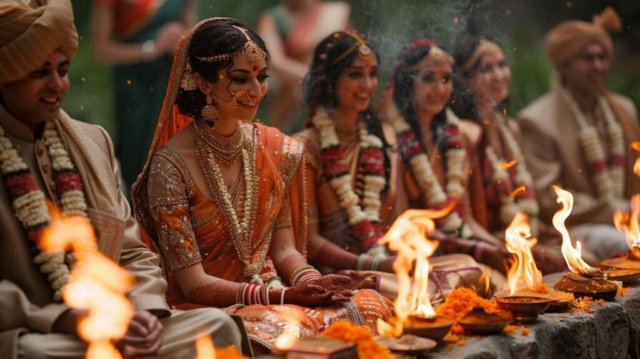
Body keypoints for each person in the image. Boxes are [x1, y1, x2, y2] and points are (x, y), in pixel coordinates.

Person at [131, 18, 393, 352]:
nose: (257, 91)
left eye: (262, 77)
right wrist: (283, 295)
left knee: (369, 306)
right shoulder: (170, 166)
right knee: (289, 332)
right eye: (241, 79)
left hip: (277, 293)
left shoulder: (270, 147)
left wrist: (312, 283)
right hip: (215, 309)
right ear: (202, 82)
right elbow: (194, 285)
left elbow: (284, 250)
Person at [0, 1, 243, 358]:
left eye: (63, 70)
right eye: (40, 73)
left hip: (120, 320)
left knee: (217, 327)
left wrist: (143, 311)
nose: (56, 85)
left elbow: (132, 251)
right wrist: (65, 318)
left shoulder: (92, 143)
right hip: (43, 329)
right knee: (38, 353)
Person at [294, 32, 487, 299]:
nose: (367, 84)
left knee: (471, 270)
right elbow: (310, 244)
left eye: (373, 74)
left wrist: (405, 256)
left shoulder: (383, 140)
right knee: (389, 290)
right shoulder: (303, 148)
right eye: (355, 74)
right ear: (329, 79)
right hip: (338, 274)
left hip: (384, 263)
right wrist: (376, 264)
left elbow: (400, 224)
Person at [380, 39, 514, 282]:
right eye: (429, 78)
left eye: (446, 79)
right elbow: (402, 228)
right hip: (416, 253)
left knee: (519, 265)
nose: (439, 89)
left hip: (459, 246)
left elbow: (466, 219)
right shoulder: (391, 140)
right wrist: (481, 250)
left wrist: (503, 247)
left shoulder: (459, 136)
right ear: (407, 83)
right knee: (481, 277)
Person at [518, 7, 640, 261]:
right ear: (564, 65)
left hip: (631, 217)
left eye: (602, 57)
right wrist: (620, 210)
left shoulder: (624, 109)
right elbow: (550, 198)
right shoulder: (537, 120)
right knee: (623, 241)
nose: (598, 66)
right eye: (588, 58)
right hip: (572, 226)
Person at [451, 37, 569, 273]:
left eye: (502, 65)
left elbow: (520, 200)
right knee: (564, 263)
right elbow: (464, 219)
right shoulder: (464, 133)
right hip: (487, 244)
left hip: (519, 238)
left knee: (582, 254)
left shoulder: (510, 129)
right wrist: (502, 246)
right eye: (486, 69)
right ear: (464, 82)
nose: (499, 75)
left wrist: (543, 229)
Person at [90, 0, 196, 197]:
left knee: (175, 150)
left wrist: (181, 42)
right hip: (134, 85)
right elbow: (101, 50)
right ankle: (137, 218)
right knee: (138, 153)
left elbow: (191, 34)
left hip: (172, 79)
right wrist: (152, 48)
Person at [257, 0, 350, 131]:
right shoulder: (272, 18)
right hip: (289, 99)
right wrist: (319, 81)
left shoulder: (333, 13)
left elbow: (350, 56)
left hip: (335, 96)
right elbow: (275, 61)